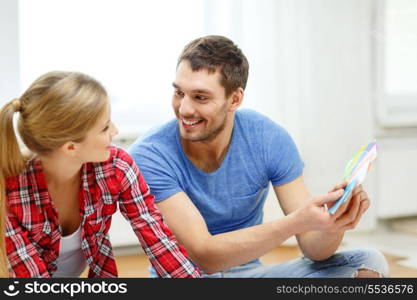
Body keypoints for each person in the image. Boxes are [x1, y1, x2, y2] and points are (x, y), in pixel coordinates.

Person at [129, 35, 389, 278]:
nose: (184, 108)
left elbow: (314, 249)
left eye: (200, 97)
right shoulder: (150, 154)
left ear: (234, 99)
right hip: (185, 279)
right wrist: (294, 223)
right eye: (179, 93)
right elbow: (204, 255)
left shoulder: (267, 138)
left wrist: (333, 223)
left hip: (248, 276)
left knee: (368, 262)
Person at [0, 71, 200, 278]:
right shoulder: (10, 188)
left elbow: (157, 237)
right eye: (105, 127)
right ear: (70, 148)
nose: (115, 131)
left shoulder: (116, 166)